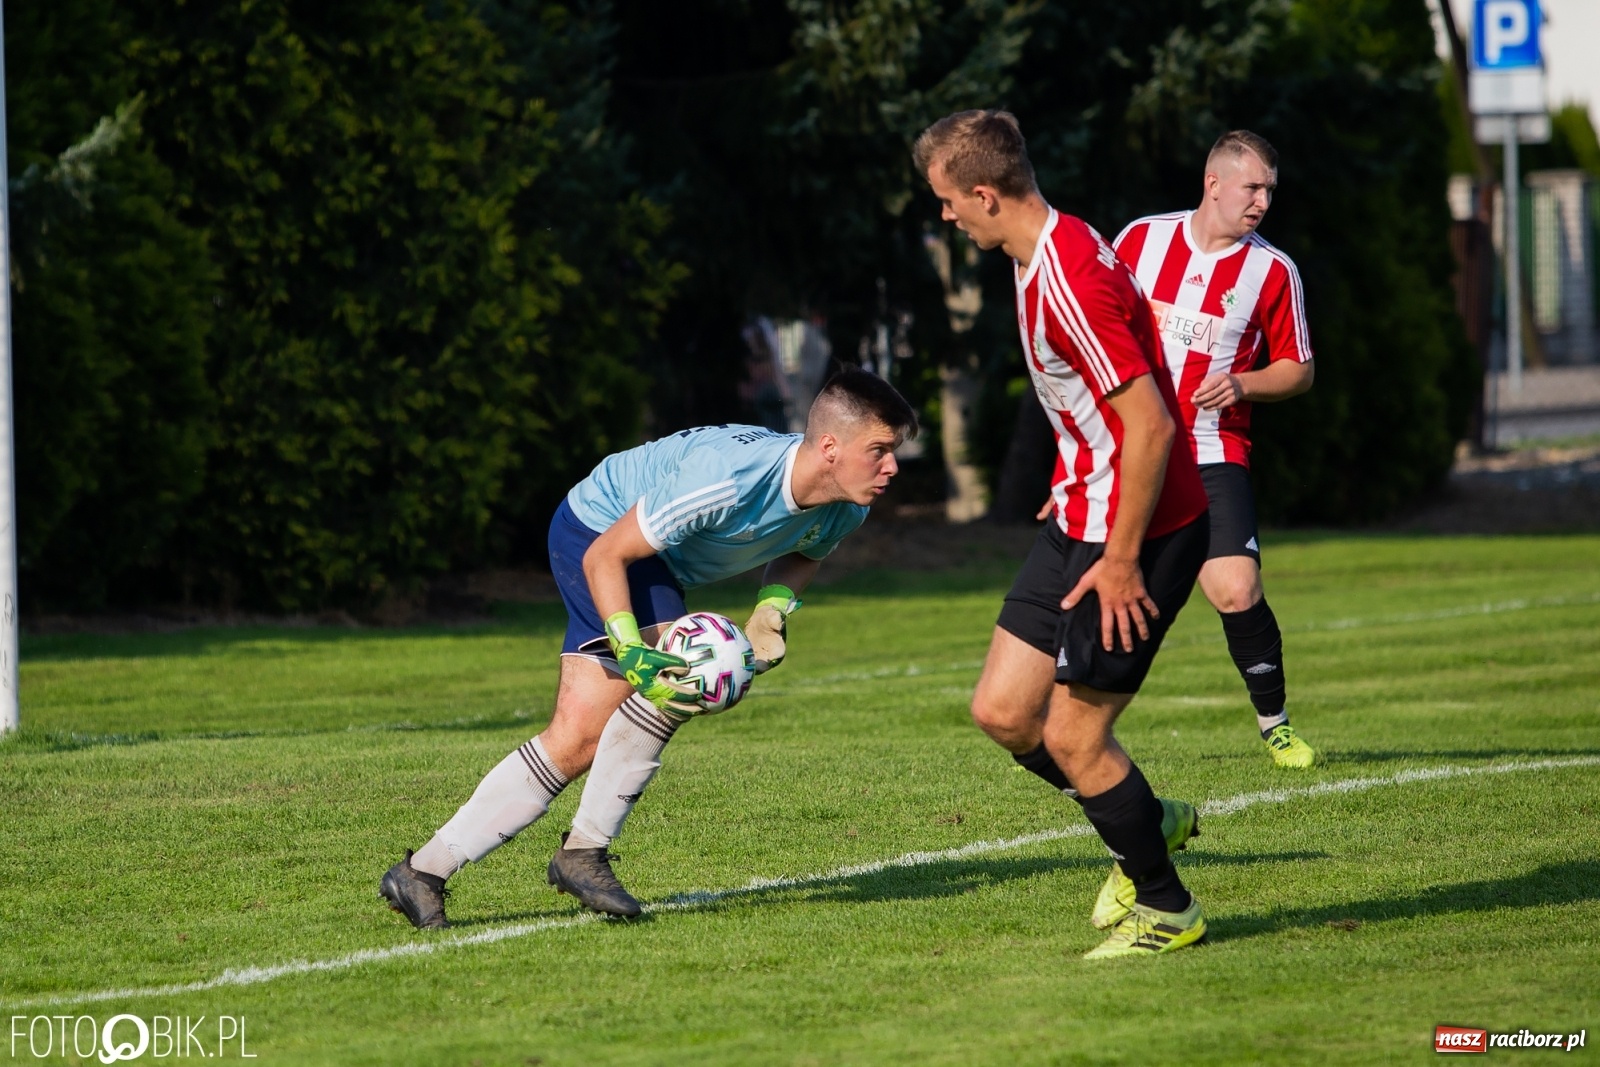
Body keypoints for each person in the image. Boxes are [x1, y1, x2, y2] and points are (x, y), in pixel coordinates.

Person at [379, 367, 918, 927]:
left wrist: (771, 608)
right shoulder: (727, 478)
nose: (892, 467)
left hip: (652, 558)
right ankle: (582, 853)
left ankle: (421, 874)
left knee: (577, 739)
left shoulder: (847, 503)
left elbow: (807, 548)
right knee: (692, 674)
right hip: (599, 530)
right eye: (878, 450)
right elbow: (605, 557)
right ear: (829, 447)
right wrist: (630, 646)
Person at [914, 110, 1212, 958]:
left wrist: (1121, 564)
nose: (946, 217)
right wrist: (1070, 474)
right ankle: (1146, 819)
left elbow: (1151, 426)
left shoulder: (1068, 277)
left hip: (1144, 532)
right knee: (1004, 712)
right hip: (1082, 511)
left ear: (984, 193)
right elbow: (1091, 407)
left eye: (947, 202)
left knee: (1074, 735)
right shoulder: (1041, 250)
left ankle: (1167, 905)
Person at [1112, 130, 1317, 769]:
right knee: (1089, 583)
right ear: (1214, 183)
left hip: (1211, 449)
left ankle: (1275, 723)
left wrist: (1243, 383)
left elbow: (1299, 368)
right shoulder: (1140, 240)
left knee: (1234, 586)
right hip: (1129, 447)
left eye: (1269, 192)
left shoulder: (1273, 270)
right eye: (1252, 187)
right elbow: (1100, 323)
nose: (1261, 201)